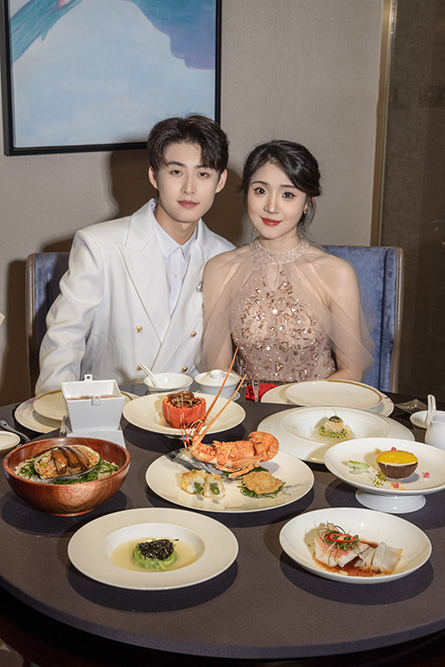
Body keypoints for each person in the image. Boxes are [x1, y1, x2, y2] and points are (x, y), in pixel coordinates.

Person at [36, 115, 235, 395]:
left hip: (189, 412)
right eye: (176, 172)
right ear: (154, 176)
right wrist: (58, 410)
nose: (189, 188)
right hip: (112, 409)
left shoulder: (226, 256)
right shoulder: (99, 245)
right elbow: (64, 340)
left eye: (203, 174)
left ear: (220, 181)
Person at [201, 140, 374, 382]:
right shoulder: (220, 269)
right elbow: (219, 374)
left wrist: (296, 402)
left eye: (288, 194)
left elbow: (351, 372)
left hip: (318, 404)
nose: (271, 207)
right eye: (260, 191)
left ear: (308, 202)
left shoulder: (336, 273)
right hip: (248, 405)